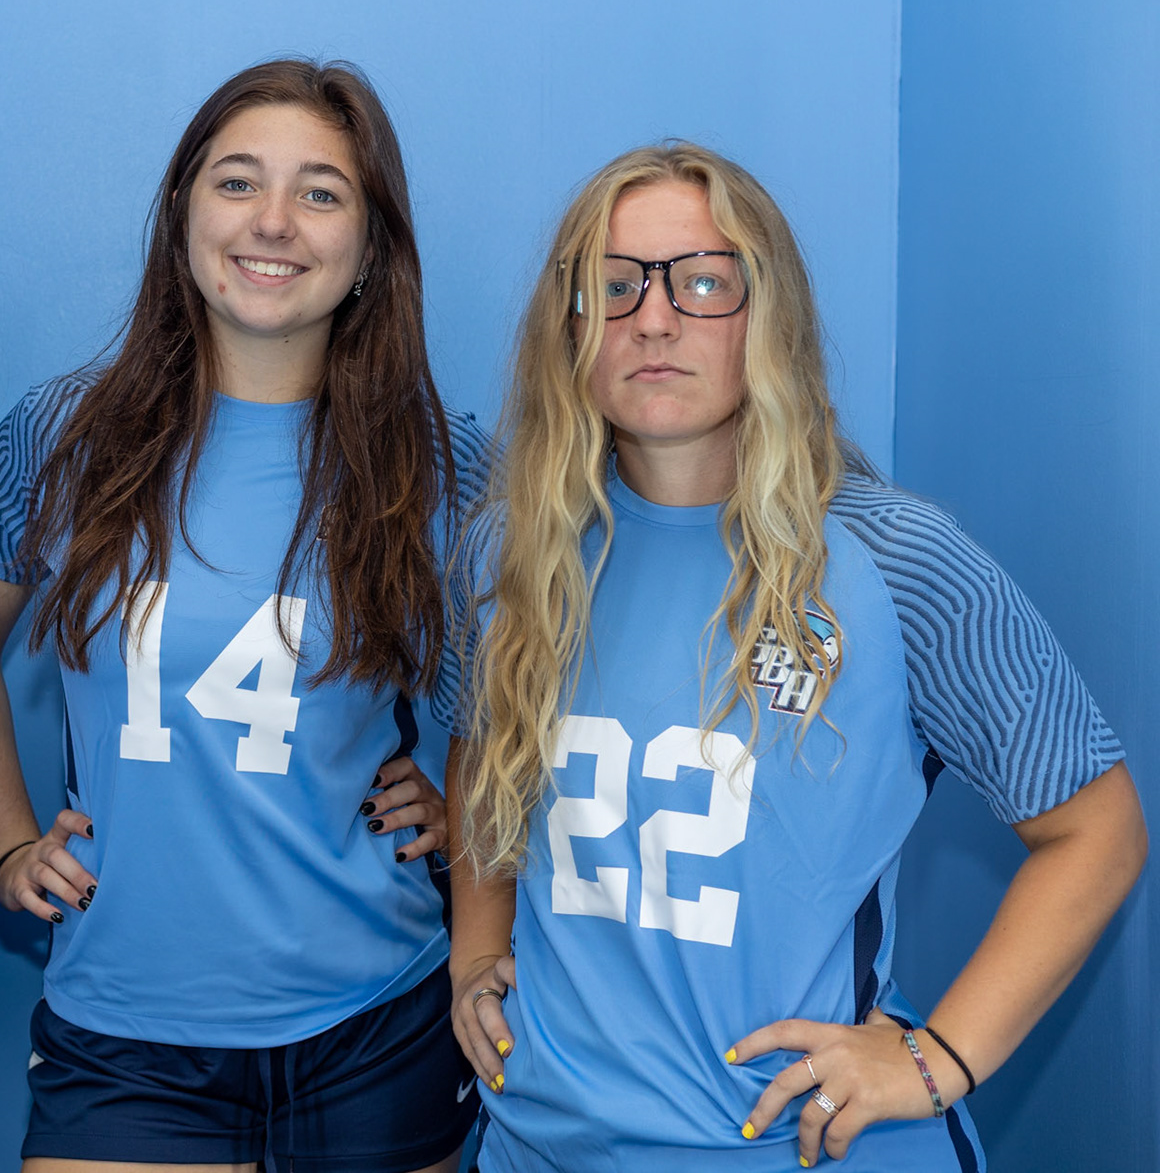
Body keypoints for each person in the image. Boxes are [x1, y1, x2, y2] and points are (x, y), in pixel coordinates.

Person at [443, 141, 1147, 1171]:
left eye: (703, 281)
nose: (653, 318)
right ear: (571, 322)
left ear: (769, 315)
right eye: (615, 283)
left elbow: (1098, 825)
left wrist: (939, 1058)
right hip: (538, 1145)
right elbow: (479, 752)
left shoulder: (896, 563)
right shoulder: (508, 553)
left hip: (799, 1147)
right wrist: (474, 949)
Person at [0, 59, 489, 1172]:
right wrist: (3, 843)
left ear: (371, 247)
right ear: (182, 213)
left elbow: (518, 703)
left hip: (376, 1027)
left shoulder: (438, 462)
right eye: (238, 182)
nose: (273, 221)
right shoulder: (67, 435)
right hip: (126, 1037)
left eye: (321, 192)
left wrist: (460, 808)